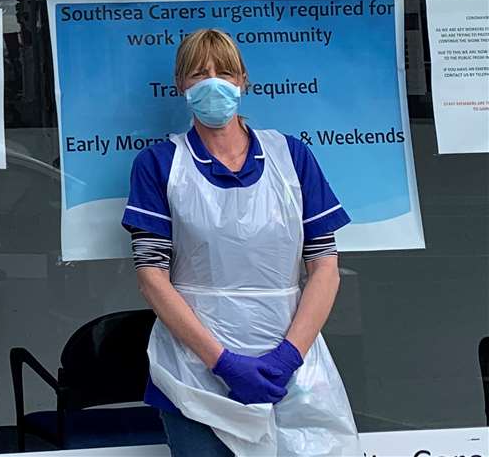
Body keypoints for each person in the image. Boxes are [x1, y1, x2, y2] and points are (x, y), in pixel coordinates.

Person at [123, 29, 359, 456]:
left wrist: (288, 357)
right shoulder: (159, 165)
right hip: (195, 371)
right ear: (181, 86)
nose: (213, 83)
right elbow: (152, 278)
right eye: (199, 74)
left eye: (224, 72)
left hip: (291, 364)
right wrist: (223, 362)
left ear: (244, 80)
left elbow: (324, 265)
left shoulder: (291, 156)